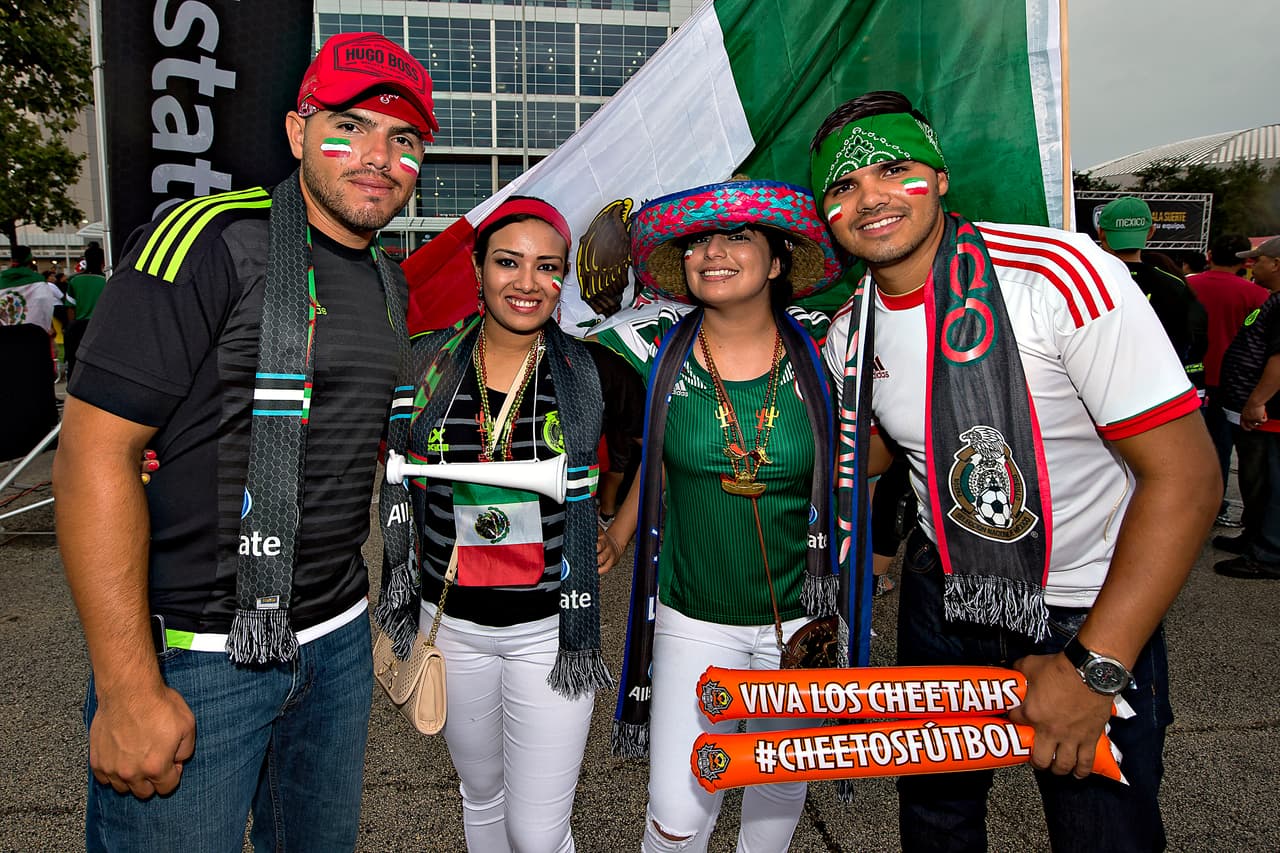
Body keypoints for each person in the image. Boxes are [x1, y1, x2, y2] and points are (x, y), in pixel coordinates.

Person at [53, 32, 437, 851]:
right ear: (297, 132)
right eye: (352, 125)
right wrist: (127, 688)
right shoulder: (209, 238)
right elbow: (93, 452)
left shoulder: (388, 280)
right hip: (199, 658)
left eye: (402, 139)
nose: (377, 154)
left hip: (333, 643)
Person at [813, 91, 1219, 851]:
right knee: (936, 819)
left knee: (1105, 833)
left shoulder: (1058, 275)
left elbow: (1188, 479)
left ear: (936, 177)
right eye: (841, 185)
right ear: (826, 212)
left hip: (1087, 602)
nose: (868, 196)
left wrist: (1095, 664)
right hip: (945, 599)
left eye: (891, 168)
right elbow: (880, 448)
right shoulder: (850, 328)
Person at [385, 195, 642, 852]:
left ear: (563, 278)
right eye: (508, 262)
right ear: (476, 268)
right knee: (482, 795)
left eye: (547, 267)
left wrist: (617, 532)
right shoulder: (423, 364)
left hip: (551, 635)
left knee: (536, 829)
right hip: (450, 625)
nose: (528, 283)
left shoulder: (592, 368)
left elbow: (667, 442)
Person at [601, 179, 845, 853]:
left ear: (776, 262)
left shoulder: (829, 355)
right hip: (693, 614)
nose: (712, 251)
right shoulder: (658, 354)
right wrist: (618, 531)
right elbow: (657, 454)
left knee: (776, 794)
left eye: (738, 235)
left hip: (802, 621)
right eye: (699, 240)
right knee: (676, 816)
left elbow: (871, 456)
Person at [1187, 233, 1267, 533]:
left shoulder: (1187, 285)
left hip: (1186, 380)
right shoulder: (1256, 295)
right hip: (1234, 387)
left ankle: (1186, 505)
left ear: (1209, 254)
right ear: (1244, 260)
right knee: (1221, 448)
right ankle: (1214, 507)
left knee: (1182, 447)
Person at [1213, 236, 1280, 580]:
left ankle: (1269, 553)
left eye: (1259, 260)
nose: (1253, 266)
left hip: (1270, 412)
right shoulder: (1272, 300)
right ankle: (1255, 538)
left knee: (1270, 484)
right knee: (1256, 481)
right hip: (1258, 409)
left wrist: (1257, 400)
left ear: (1278, 264)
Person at [1097, 196, 1209, 392]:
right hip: (1154, 391)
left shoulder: (1083, 279)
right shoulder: (1174, 285)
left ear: (1101, 232)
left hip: (1096, 390)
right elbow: (1184, 346)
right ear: (1150, 232)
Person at [63, 242, 107, 378]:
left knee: (76, 364)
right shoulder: (107, 281)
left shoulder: (75, 281)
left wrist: (71, 327)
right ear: (103, 261)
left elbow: (70, 308)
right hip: (100, 328)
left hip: (78, 329)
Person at [0, 245, 59, 334]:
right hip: (34, 333)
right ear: (30, 261)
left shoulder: (2, 280)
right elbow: (44, 305)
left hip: (7, 334)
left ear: (12, 260)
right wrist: (50, 326)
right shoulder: (38, 280)